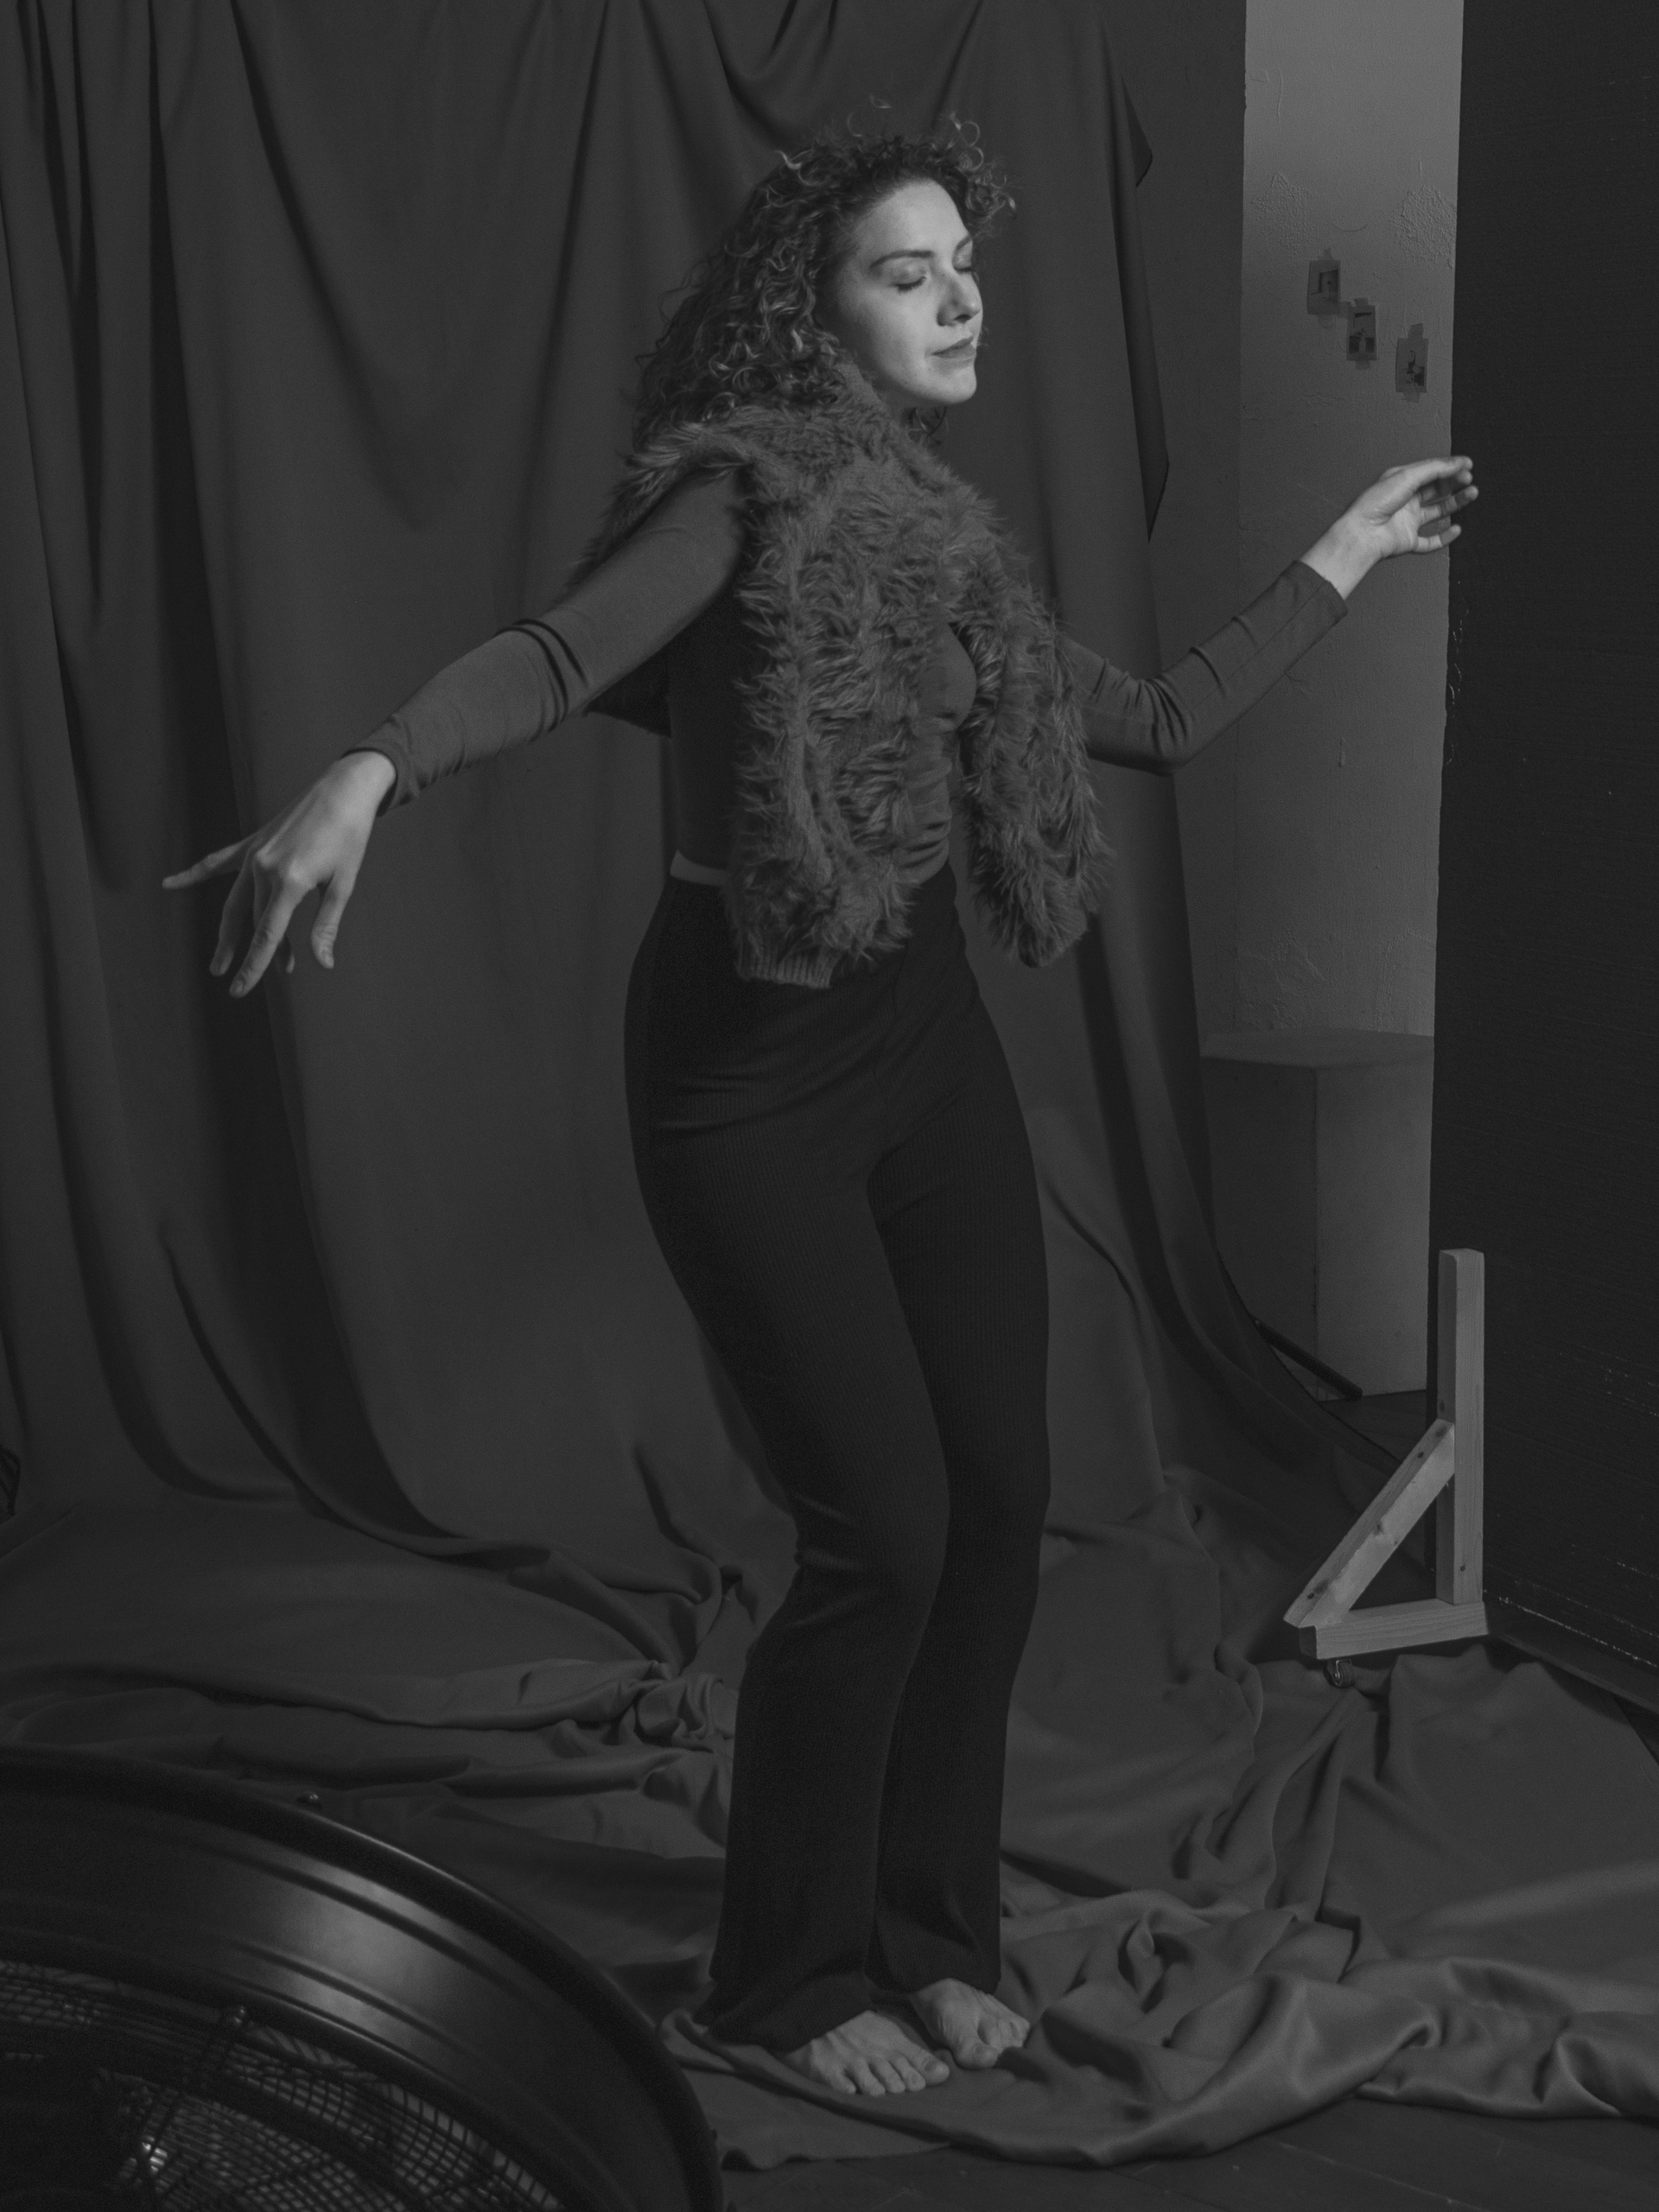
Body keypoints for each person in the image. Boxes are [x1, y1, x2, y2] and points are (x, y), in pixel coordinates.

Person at [164, 121, 1476, 2101]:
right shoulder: (742, 496)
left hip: (921, 1043)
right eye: (904, 269)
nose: (957, 296)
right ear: (816, 310)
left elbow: (1162, 719)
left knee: (1000, 1502)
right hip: (744, 1068)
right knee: (888, 1532)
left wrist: (1350, 546)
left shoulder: (944, 549)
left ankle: (933, 1930)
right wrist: (368, 770)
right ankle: (778, 1979)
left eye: (965, 264)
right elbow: (551, 655)